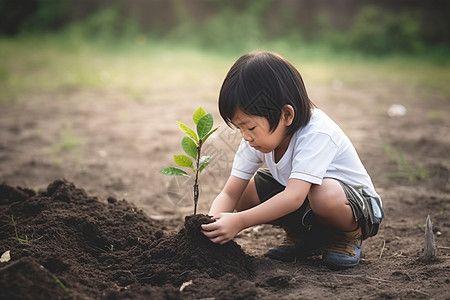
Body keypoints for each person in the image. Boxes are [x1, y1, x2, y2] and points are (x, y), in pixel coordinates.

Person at [201, 51, 384, 269]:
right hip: (308, 202)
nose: (245, 136)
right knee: (245, 193)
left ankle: (347, 236)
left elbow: (294, 198)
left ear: (287, 115)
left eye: (249, 127)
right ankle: (306, 236)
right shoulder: (257, 138)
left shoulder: (317, 133)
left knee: (323, 193)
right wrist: (213, 224)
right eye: (240, 128)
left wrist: (239, 221)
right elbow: (230, 192)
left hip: (356, 208)